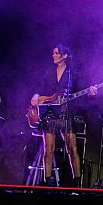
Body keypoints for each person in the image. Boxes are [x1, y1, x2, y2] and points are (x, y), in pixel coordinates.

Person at [30, 44, 97, 187]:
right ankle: (47, 181)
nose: (53, 55)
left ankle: (77, 183)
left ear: (65, 56)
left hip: (66, 115)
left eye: (56, 53)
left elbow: (84, 89)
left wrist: (91, 91)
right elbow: (39, 89)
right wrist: (36, 96)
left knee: (73, 149)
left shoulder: (73, 74)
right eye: (53, 53)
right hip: (50, 115)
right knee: (49, 150)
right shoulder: (49, 73)